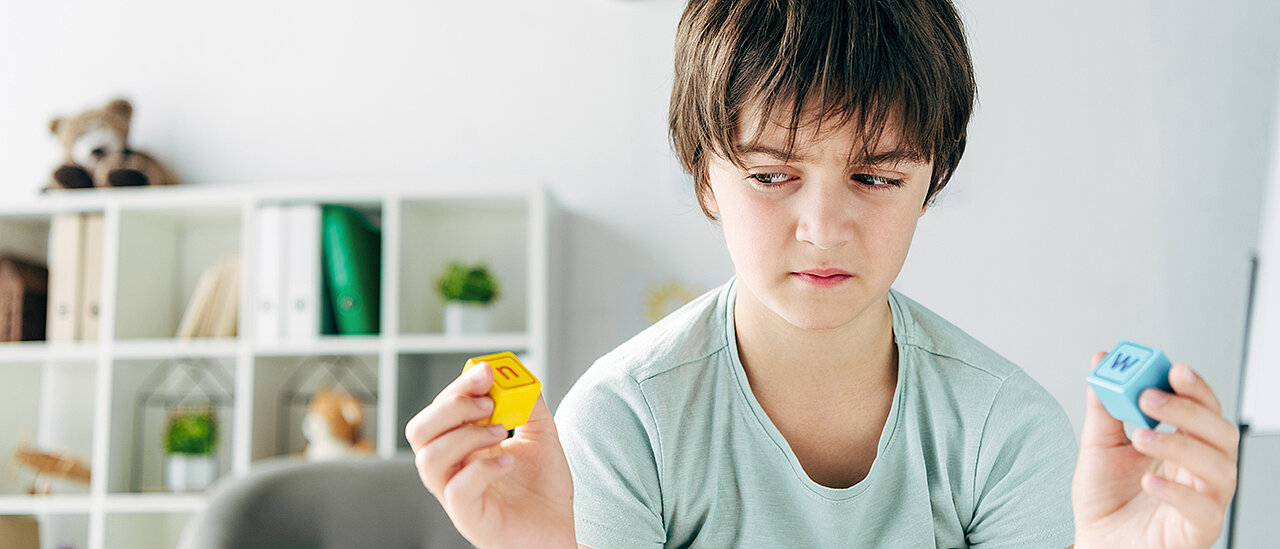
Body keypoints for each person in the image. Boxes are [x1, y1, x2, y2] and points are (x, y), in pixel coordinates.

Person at [404, 0, 1240, 547]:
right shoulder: (624, 423)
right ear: (705, 179)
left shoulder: (1007, 430)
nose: (822, 228)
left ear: (931, 183)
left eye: (875, 177)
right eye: (772, 174)